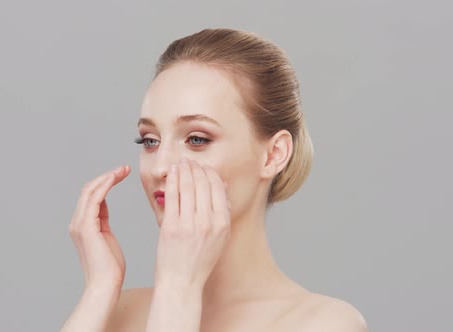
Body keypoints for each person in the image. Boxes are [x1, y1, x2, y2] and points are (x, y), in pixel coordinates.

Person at [60, 28, 368, 332]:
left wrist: (178, 287)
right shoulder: (115, 313)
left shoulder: (324, 323)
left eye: (196, 139)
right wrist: (100, 289)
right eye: (150, 141)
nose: (160, 168)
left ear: (274, 154)